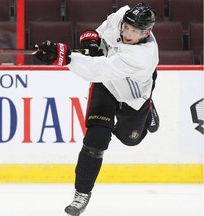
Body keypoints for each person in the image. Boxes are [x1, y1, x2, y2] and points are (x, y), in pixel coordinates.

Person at [34, 3, 160, 216]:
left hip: (133, 98)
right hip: (107, 87)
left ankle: (148, 108)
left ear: (146, 33)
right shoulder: (121, 16)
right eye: (127, 27)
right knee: (96, 140)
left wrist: (64, 57)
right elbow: (105, 30)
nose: (128, 33)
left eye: (135, 31)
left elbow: (99, 70)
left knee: (130, 139)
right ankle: (81, 194)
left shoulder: (142, 56)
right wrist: (94, 39)